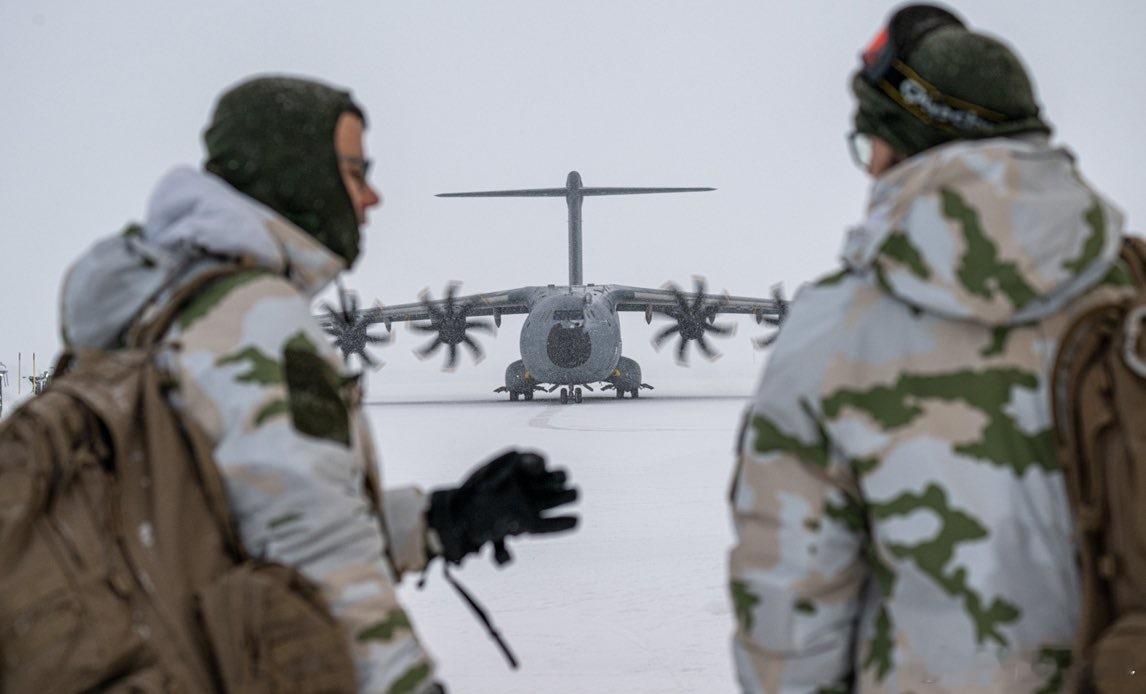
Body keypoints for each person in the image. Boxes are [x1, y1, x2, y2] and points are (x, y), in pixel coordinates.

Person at [58, 75, 578, 693]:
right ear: (299, 175)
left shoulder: (152, 308)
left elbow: (228, 527)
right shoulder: (255, 321)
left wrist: (438, 521)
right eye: (356, 172)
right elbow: (322, 561)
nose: (373, 196)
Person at [728, 5, 1130, 691]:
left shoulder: (833, 335)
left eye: (869, 145)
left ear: (898, 146)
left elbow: (788, 637)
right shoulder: (1133, 294)